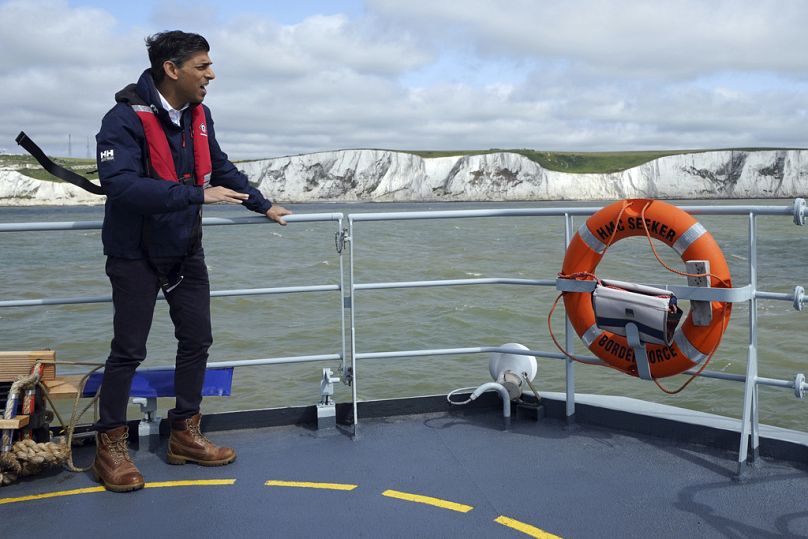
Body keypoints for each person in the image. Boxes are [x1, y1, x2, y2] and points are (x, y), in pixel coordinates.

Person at [92, 30, 291, 492]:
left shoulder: (199, 116)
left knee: (197, 340)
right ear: (172, 69)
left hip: (184, 249)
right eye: (202, 66)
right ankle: (110, 446)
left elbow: (219, 166)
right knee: (128, 351)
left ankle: (184, 432)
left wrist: (261, 204)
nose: (211, 74)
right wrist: (195, 194)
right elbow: (120, 184)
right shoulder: (121, 119)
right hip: (134, 253)